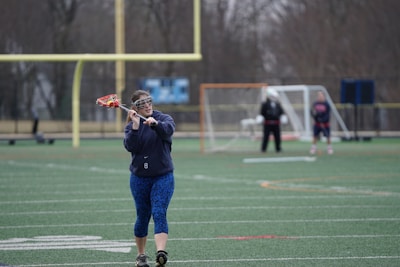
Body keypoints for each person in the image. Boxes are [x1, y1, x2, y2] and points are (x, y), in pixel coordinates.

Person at [124, 90, 175, 267]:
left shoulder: (164, 118)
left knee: (159, 211)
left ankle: (161, 252)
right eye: (141, 103)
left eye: (148, 101)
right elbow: (131, 146)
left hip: (163, 176)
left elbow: (168, 130)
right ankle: (141, 256)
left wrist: (156, 125)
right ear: (134, 107)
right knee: (142, 216)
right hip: (139, 178)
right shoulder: (132, 125)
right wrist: (136, 126)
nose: (146, 105)